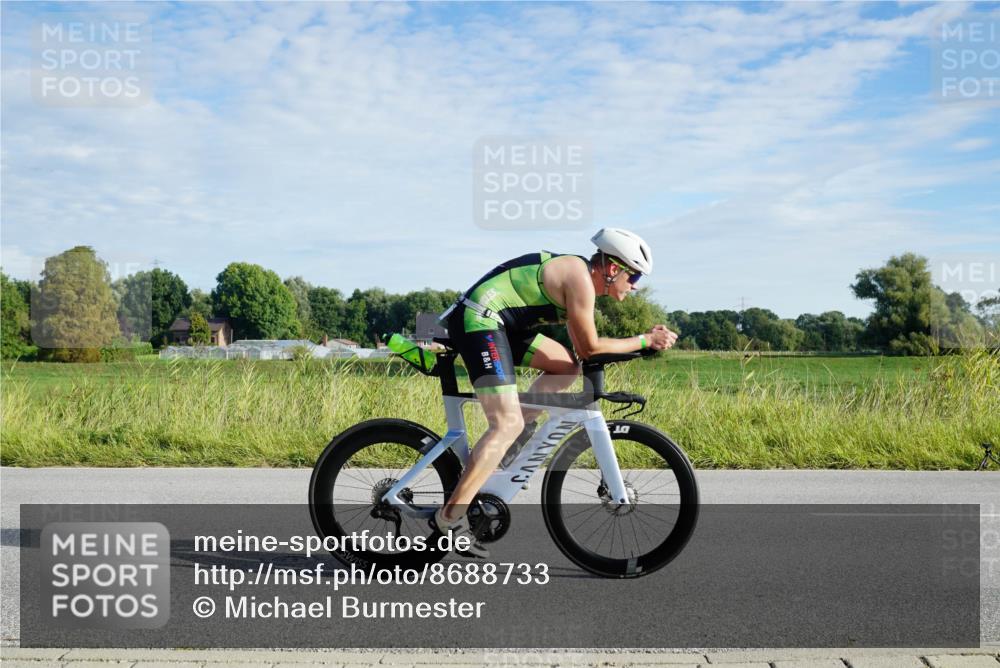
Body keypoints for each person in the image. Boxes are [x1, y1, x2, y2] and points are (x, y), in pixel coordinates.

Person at [433, 228, 678, 557]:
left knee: (566, 368)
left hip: (503, 325)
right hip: (480, 320)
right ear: (612, 268)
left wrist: (640, 343)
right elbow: (589, 347)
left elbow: (579, 353)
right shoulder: (579, 278)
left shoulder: (583, 280)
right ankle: (450, 519)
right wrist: (646, 341)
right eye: (633, 276)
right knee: (505, 424)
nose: (635, 286)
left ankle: (507, 447)